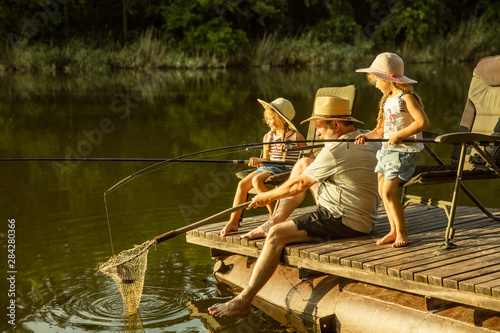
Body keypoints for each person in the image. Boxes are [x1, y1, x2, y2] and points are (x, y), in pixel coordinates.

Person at [209, 96, 380, 318]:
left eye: (319, 127)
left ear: (336, 125)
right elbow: (304, 174)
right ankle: (274, 218)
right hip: (358, 210)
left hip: (344, 218)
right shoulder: (366, 138)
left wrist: (266, 196)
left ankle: (244, 299)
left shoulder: (336, 151)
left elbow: (299, 184)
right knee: (303, 163)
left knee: (276, 235)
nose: (317, 133)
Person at [354, 52, 430, 248]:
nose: (376, 85)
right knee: (381, 190)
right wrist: (366, 136)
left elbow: (423, 122)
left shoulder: (407, 98)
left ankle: (403, 232)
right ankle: (393, 230)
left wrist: (401, 134)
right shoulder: (387, 100)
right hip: (386, 152)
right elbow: (381, 129)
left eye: (376, 81)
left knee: (388, 192)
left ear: (387, 78)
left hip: (403, 152)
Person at [220, 98, 309, 237]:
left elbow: (309, 155)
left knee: (257, 180)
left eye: (271, 118)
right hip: (268, 167)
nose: (268, 121)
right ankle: (233, 222)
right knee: (242, 184)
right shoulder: (268, 137)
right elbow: (266, 159)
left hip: (285, 168)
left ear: (283, 120)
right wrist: (257, 161)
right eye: (266, 118)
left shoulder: (296, 136)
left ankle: (274, 217)